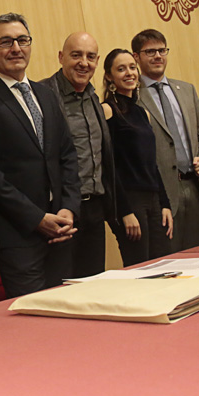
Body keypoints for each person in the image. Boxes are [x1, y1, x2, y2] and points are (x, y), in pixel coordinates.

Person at [0, 13, 80, 297]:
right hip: (18, 237)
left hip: (62, 232)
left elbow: (67, 156)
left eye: (22, 40)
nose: (16, 48)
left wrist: (68, 209)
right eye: (5, 42)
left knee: (69, 315)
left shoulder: (47, 94)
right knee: (34, 325)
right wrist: (37, 218)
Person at [39, 32, 130, 278]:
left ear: (98, 61)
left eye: (90, 57)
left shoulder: (93, 97)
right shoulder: (43, 95)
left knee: (93, 283)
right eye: (76, 55)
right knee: (63, 285)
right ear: (61, 57)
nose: (84, 63)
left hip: (95, 209)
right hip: (62, 210)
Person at [132, 29, 199, 250]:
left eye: (162, 50)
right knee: (171, 260)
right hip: (161, 195)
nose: (158, 56)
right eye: (150, 51)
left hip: (195, 187)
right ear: (136, 57)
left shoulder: (186, 90)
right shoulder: (133, 96)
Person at [101, 48, 173, 264]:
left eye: (132, 67)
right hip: (129, 201)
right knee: (140, 268)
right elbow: (108, 166)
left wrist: (165, 204)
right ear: (109, 76)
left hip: (153, 199)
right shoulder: (106, 110)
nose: (129, 73)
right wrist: (124, 211)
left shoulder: (144, 113)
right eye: (121, 69)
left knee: (164, 266)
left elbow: (152, 164)